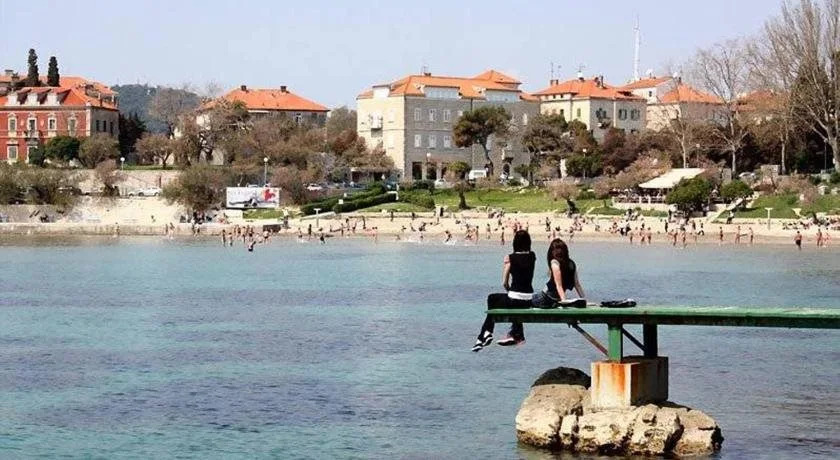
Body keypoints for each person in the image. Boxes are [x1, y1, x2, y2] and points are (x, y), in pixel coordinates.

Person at [472, 230, 536, 352]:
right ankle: (515, 333)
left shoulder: (510, 258)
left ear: (515, 243)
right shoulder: (532, 257)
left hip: (515, 298)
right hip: (528, 299)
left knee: (492, 298)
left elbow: (505, 283)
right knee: (515, 306)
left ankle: (487, 332)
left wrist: (510, 290)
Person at [532, 239, 586, 308]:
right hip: (550, 298)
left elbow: (559, 285)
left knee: (528, 300)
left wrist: (564, 301)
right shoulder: (571, 263)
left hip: (546, 297)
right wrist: (583, 299)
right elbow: (577, 284)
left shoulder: (555, 263)